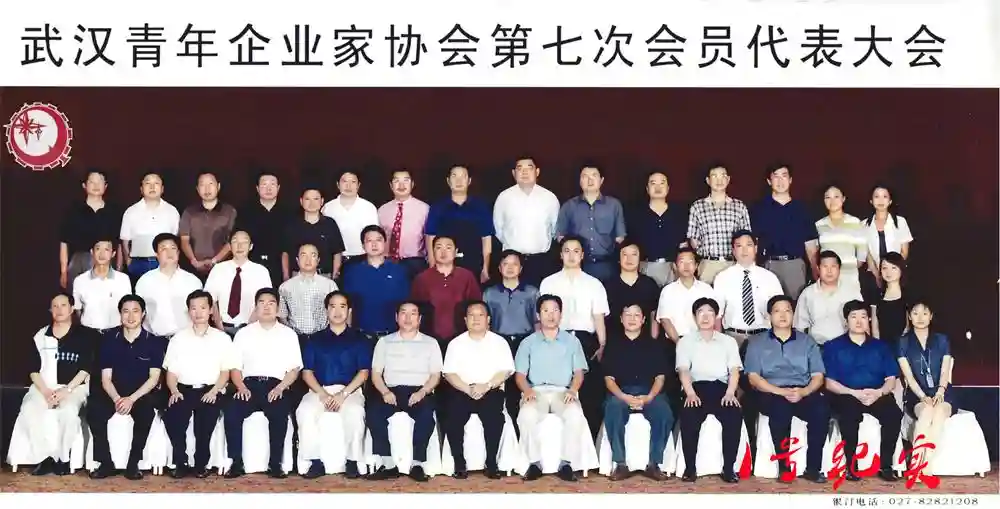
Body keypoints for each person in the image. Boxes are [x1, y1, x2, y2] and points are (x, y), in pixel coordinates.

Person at [744, 295, 829, 484]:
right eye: (777, 311)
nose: (783, 315)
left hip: (802, 390)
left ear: (793, 314)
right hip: (770, 392)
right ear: (769, 316)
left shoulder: (807, 342)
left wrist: (804, 392)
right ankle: (784, 466)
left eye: (787, 310)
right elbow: (753, 378)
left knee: (821, 410)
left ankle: (813, 468)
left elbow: (818, 376)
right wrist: (781, 392)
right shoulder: (756, 342)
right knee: (780, 410)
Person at [223, 288, 303, 479]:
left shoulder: (288, 334)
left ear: (278, 308)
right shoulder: (243, 334)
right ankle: (236, 462)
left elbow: (294, 369)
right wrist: (241, 387)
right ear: (255, 307)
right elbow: (235, 367)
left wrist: (281, 387)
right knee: (232, 412)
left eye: (271, 303)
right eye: (262, 303)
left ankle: (275, 464)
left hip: (276, 385)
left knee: (279, 414)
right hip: (248, 385)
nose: (266, 307)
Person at [822, 299, 902, 482]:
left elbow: (891, 379)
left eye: (863, 316)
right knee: (849, 414)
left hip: (876, 393)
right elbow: (829, 382)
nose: (859, 321)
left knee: (893, 415)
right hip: (846, 394)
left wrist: (879, 393)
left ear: (869, 320)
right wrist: (854, 393)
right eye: (854, 317)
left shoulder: (881, 347)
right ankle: (852, 467)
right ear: (846, 321)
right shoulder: (833, 347)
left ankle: (886, 466)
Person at [539, 236, 610, 440]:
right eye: (567, 251)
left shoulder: (594, 284)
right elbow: (542, 316)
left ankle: (588, 444)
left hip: (585, 340)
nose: (571, 255)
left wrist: (602, 344)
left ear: (583, 255)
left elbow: (598, 317)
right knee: (558, 391)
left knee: (589, 394)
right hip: (555, 339)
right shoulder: (549, 282)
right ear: (561, 255)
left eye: (576, 251)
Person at [87, 295, 165, 480]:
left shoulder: (153, 342)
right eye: (126, 311)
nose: (130, 316)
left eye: (135, 311)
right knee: (94, 411)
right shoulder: (108, 339)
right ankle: (105, 463)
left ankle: (133, 463)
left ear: (143, 314)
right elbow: (106, 378)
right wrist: (117, 399)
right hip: (113, 391)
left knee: (146, 414)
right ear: (120, 314)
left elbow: (153, 378)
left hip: (140, 393)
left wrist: (131, 399)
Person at [16, 292, 94, 476]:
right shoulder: (41, 335)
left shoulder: (85, 335)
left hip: (74, 387)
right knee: (29, 410)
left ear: (72, 308)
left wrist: (67, 390)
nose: (59, 310)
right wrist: (45, 391)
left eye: (63, 305)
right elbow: (33, 369)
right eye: (55, 306)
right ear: (50, 310)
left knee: (68, 412)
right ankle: (44, 458)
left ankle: (63, 458)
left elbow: (86, 368)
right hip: (44, 386)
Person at [514, 295, 589, 482]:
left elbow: (579, 373)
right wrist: (527, 390)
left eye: (555, 310)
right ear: (538, 315)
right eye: (546, 310)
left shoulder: (572, 342)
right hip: (536, 391)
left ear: (561, 314)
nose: (551, 315)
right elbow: (520, 375)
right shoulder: (528, 343)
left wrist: (572, 390)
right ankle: (534, 463)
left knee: (575, 415)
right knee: (526, 416)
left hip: (563, 391)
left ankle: (566, 464)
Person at [297, 291, 372, 479]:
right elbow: (307, 373)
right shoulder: (314, 339)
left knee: (355, 412)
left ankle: (352, 461)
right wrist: (322, 394)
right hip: (319, 390)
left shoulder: (360, 339)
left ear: (349, 311)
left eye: (342, 306)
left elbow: (364, 372)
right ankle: (315, 461)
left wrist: (343, 394)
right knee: (305, 411)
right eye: (332, 306)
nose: (337, 311)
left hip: (350, 391)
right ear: (326, 310)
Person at [162, 290, 236, 479]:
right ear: (188, 311)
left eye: (203, 307)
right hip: (183, 390)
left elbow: (225, 372)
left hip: (211, 389)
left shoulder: (222, 338)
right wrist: (174, 391)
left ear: (211, 310)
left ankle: (201, 463)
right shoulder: (178, 339)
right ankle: (181, 462)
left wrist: (214, 391)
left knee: (205, 422)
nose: (198, 312)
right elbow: (171, 372)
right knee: (173, 417)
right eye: (193, 308)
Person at [366, 301, 443, 482]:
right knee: (373, 414)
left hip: (419, 391)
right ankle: (388, 464)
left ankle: (417, 464)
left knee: (426, 417)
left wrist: (423, 392)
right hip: (391, 391)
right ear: (396, 317)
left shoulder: (431, 343)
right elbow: (376, 374)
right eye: (403, 313)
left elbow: (435, 375)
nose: (408, 318)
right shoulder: (384, 342)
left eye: (413, 313)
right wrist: (385, 392)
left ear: (420, 319)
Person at [442, 300, 514, 479]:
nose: (476, 319)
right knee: (453, 417)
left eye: (480, 315)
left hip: (490, 389)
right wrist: (468, 389)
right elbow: (449, 373)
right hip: (463, 389)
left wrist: (486, 386)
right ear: (465, 320)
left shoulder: (500, 342)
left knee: (494, 418)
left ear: (488, 319)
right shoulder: (455, 344)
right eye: (471, 315)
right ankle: (459, 463)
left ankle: (491, 463)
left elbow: (505, 371)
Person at [675, 297, 743, 483]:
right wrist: (690, 393)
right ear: (694, 317)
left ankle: (729, 468)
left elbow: (734, 370)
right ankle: (690, 469)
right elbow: (683, 370)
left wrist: (731, 392)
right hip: (696, 388)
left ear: (716, 317)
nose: (705, 317)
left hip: (722, 388)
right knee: (689, 416)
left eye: (710, 313)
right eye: (701, 313)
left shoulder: (728, 341)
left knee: (733, 415)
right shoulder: (685, 342)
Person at [602, 303, 673, 482]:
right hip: (621, 392)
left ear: (643, 320)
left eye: (636, 315)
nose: (632, 319)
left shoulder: (654, 345)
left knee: (664, 412)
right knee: (613, 409)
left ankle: (654, 464)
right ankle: (620, 464)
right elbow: (609, 379)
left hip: (649, 392)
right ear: (621, 319)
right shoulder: (612, 345)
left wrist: (649, 397)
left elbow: (660, 378)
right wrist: (624, 397)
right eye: (628, 315)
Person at [483, 249, 539, 435]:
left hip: (525, 342)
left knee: (522, 386)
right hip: (500, 343)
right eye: (505, 264)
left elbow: (537, 322)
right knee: (501, 387)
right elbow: (486, 322)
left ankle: (523, 431)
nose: (510, 268)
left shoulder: (531, 292)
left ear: (521, 268)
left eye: (514, 264)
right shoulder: (490, 293)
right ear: (499, 268)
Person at [896, 298, 954, 472]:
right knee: (927, 411)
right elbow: (909, 377)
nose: (920, 318)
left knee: (939, 412)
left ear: (931, 316)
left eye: (924, 313)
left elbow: (945, 371)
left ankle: (923, 463)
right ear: (909, 317)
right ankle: (918, 464)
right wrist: (922, 396)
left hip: (942, 391)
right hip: (916, 393)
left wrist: (940, 392)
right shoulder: (902, 342)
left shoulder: (942, 340)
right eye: (915, 313)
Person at [750, 164, 820, 300]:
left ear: (790, 180)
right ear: (769, 181)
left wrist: (814, 268)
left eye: (784, 176)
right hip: (769, 265)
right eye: (775, 176)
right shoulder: (759, 209)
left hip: (795, 265)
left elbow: (810, 243)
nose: (780, 181)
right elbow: (754, 242)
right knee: (768, 304)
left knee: (795, 305)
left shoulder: (802, 209)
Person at [492, 157, 561, 287]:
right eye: (520, 168)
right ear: (514, 173)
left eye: (529, 168)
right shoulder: (504, 197)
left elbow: (555, 230)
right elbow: (498, 229)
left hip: (541, 261)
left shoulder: (550, 198)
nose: (524, 172)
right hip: (512, 261)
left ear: (537, 172)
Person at [425, 165, 494, 284]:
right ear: (448, 181)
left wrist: (485, 268)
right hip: (445, 263)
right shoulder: (438, 207)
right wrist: (432, 265)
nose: (459, 181)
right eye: (454, 176)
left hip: (473, 263)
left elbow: (486, 238)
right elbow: (430, 236)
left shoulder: (480, 207)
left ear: (469, 181)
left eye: (463, 177)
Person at [556, 165, 626, 283]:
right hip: (578, 266)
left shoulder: (614, 205)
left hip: (607, 266)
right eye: (585, 176)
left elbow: (620, 238)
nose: (590, 180)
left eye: (594, 176)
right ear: (580, 181)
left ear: (601, 180)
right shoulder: (569, 206)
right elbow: (560, 237)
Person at [712, 230, 783, 346]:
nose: (744, 250)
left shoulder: (770, 278)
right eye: (739, 246)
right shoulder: (722, 278)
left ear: (756, 248)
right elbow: (717, 315)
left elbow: (780, 311)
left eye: (749, 245)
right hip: (732, 338)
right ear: (733, 251)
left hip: (763, 337)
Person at [342, 225, 411, 341]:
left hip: (392, 336)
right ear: (363, 246)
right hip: (362, 336)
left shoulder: (399, 271)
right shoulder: (352, 272)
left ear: (385, 243)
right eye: (369, 241)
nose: (374, 244)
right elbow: (347, 306)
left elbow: (407, 305)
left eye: (378, 240)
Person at [59, 169, 122, 294]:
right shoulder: (73, 210)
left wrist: (119, 268)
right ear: (84, 185)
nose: (96, 185)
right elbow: (64, 242)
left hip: (107, 260)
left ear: (105, 186)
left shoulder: (115, 211)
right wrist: (64, 271)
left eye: (100, 182)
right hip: (79, 261)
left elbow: (119, 243)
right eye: (92, 182)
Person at [686, 165, 751, 284]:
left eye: (723, 176)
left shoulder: (739, 206)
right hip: (708, 265)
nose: (719, 180)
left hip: (732, 264)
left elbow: (746, 239)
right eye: (714, 176)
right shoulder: (697, 206)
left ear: (728, 179)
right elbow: (693, 240)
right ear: (708, 180)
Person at [411, 235, 482, 342]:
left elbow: (477, 306)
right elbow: (415, 310)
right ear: (433, 251)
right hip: (429, 339)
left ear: (456, 251)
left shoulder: (467, 277)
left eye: (448, 248)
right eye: (439, 247)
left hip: (462, 339)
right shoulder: (422, 279)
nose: (443, 252)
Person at [204, 230, 273, 337]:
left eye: (244, 242)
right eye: (235, 241)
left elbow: (265, 301)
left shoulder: (261, 271)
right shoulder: (218, 269)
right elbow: (209, 299)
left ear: (251, 246)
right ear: (230, 246)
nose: (239, 246)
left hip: (251, 330)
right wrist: (219, 327)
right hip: (222, 329)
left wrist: (248, 329)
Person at [134, 233, 204, 339]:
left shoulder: (193, 281)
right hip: (154, 339)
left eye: (173, 248)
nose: (169, 252)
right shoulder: (144, 281)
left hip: (186, 339)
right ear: (156, 254)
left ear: (178, 253)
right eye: (164, 249)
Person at [626, 171, 687, 287]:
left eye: (662, 183)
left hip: (672, 268)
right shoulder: (635, 214)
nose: (658, 187)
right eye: (653, 183)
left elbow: (683, 244)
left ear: (668, 188)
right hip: (645, 267)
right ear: (647, 189)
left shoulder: (679, 213)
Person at [120, 172, 180, 284]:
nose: (152, 187)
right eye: (148, 183)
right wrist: (128, 262)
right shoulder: (131, 211)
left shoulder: (172, 211)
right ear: (141, 189)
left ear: (162, 189)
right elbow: (125, 240)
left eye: (156, 183)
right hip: (138, 264)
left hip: (164, 263)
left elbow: (176, 240)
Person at [234, 171, 292, 287]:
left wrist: (286, 274)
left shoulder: (288, 214)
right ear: (257, 188)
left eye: (272, 184)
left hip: (278, 268)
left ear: (278, 188)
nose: (268, 188)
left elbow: (288, 246)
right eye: (264, 184)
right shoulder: (245, 212)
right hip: (251, 266)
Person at [793, 251, 863, 345]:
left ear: (839, 269)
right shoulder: (808, 293)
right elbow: (799, 326)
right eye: (825, 266)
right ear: (818, 269)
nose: (829, 271)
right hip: (817, 346)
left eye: (833, 266)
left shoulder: (851, 292)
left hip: (846, 346)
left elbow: (863, 321)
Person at [179, 172, 238, 282]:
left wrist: (214, 261)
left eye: (210, 184)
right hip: (193, 269)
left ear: (218, 187)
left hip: (222, 268)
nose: (207, 189)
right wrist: (194, 262)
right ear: (197, 189)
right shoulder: (189, 212)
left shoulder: (230, 211)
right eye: (202, 185)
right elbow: (184, 241)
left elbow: (232, 242)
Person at [815, 184, 873, 296]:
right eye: (828, 197)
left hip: (849, 277)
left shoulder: (854, 222)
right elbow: (815, 251)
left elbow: (861, 253)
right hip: (827, 278)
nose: (832, 201)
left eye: (836, 196)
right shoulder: (819, 225)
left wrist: (848, 267)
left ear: (843, 198)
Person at [283, 185, 346, 281]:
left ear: (322, 201)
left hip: (324, 276)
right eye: (307, 199)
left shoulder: (330, 224)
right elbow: (285, 252)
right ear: (301, 201)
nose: (311, 203)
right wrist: (286, 276)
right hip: (297, 276)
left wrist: (335, 277)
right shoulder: (292, 225)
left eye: (316, 199)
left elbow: (337, 252)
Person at [657, 247, 718, 344]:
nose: (686, 266)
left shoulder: (707, 289)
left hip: (702, 342)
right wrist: (679, 343)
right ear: (675, 266)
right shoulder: (667, 291)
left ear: (696, 266)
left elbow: (715, 317)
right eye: (682, 262)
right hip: (674, 342)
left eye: (690, 262)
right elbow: (665, 320)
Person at [321, 171, 380, 270]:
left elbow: (374, 235)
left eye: (353, 182)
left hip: (362, 258)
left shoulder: (369, 207)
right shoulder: (328, 208)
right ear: (338, 184)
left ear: (358, 185)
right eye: (344, 182)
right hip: (334, 259)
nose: (348, 186)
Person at [72, 237, 133, 333]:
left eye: (106, 249)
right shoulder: (80, 280)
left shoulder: (123, 279)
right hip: (88, 332)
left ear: (113, 254)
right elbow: (78, 310)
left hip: (115, 332)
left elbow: (127, 307)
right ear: (92, 252)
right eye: (98, 249)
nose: (102, 253)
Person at [278, 243, 339, 338]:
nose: (308, 259)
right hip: (295, 337)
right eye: (303, 255)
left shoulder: (330, 285)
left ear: (318, 260)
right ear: (297, 260)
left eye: (313, 255)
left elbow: (336, 313)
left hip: (323, 337)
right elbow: (282, 317)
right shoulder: (285, 287)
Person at [378, 170, 430, 280]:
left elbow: (429, 238)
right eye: (397, 181)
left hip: (415, 263)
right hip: (388, 262)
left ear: (412, 184)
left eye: (406, 180)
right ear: (391, 185)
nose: (401, 185)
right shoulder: (382, 210)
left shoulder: (425, 209)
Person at [605, 239, 660, 337]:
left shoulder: (649, 284)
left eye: (634, 255)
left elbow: (654, 315)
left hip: (645, 340)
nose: (629, 259)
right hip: (614, 340)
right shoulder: (608, 285)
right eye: (625, 255)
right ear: (618, 258)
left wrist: (653, 340)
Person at [862, 184, 914, 283]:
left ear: (890, 201)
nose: (881, 200)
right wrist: (877, 275)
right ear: (871, 201)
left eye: (885, 196)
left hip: (898, 273)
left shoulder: (900, 222)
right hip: (874, 275)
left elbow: (904, 252)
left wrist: (891, 271)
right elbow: (868, 254)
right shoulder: (863, 225)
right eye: (877, 196)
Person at [870, 252, 908, 350]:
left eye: (893, 268)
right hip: (883, 347)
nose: (888, 272)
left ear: (901, 269)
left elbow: (908, 326)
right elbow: (875, 328)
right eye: (884, 268)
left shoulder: (908, 294)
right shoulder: (877, 295)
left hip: (904, 347)